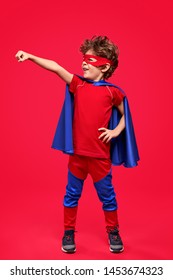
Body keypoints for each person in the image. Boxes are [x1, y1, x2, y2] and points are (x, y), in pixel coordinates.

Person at [15, 36, 139, 254]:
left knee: (107, 197)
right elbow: (56, 67)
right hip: (78, 156)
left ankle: (113, 231)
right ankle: (69, 231)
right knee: (71, 195)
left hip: (100, 158)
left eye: (90, 60)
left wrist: (116, 131)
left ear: (105, 65)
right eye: (83, 58)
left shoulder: (113, 92)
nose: (83, 62)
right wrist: (31, 56)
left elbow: (125, 114)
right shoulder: (78, 84)